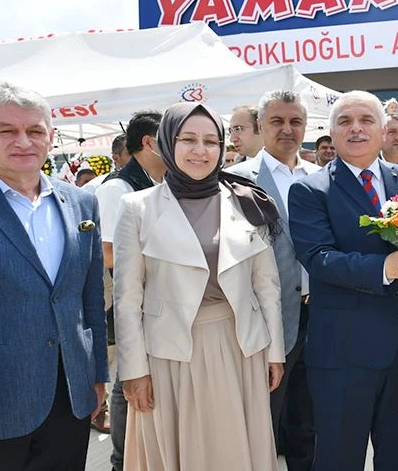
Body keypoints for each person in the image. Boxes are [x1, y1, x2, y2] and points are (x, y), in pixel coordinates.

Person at [114, 102, 284, 470]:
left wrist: (275, 352)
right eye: (188, 139)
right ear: (166, 143)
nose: (200, 150)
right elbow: (127, 298)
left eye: (210, 141)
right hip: (170, 356)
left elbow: (266, 284)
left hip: (241, 348)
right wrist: (133, 369)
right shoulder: (137, 207)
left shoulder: (245, 199)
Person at [0, 81, 107, 469]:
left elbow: (89, 299)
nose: (23, 141)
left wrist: (96, 375)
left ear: (51, 137)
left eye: (35, 130)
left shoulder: (82, 203)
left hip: (69, 397)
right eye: (7, 130)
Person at [288, 90, 398, 471]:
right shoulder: (310, 190)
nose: (355, 128)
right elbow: (318, 258)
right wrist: (388, 268)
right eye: (345, 121)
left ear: (383, 129)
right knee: (339, 458)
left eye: (366, 120)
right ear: (332, 133)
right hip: (344, 351)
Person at [227, 89, 319, 470]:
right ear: (260, 126)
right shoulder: (235, 180)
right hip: (268, 322)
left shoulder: (320, 176)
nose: (287, 129)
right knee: (262, 419)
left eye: (295, 121)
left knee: (308, 423)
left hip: (322, 319)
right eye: (277, 121)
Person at [94, 110, 165, 471]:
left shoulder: (153, 183)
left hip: (152, 302)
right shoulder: (117, 188)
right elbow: (107, 252)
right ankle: (121, 460)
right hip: (126, 302)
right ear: (150, 143)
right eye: (172, 139)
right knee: (127, 380)